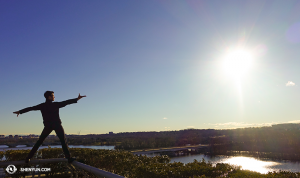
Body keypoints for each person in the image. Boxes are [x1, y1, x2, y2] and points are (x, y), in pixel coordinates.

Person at [13, 91, 86, 164]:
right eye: (53, 95)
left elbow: (31, 108)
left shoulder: (42, 105)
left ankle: (28, 158)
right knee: (63, 141)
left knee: (39, 142)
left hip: (48, 126)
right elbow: (66, 102)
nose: (54, 97)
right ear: (49, 96)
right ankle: (69, 158)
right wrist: (77, 99)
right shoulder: (55, 104)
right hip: (57, 125)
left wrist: (20, 112)